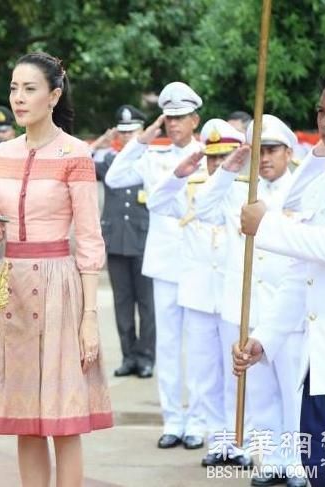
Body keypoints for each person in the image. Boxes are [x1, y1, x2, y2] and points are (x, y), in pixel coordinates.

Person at [234, 70, 325, 486]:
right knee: (324, 473)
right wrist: (267, 336)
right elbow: (302, 273)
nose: (324, 121)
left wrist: (267, 225)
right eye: (320, 111)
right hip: (322, 366)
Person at [0, 52, 113, 487]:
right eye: (14, 88)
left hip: (59, 289)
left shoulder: (76, 154)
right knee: (26, 418)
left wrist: (89, 318)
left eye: (29, 89)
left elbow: (90, 240)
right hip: (10, 290)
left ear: (54, 95)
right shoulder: (2, 153)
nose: (18, 98)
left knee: (63, 418)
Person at [193, 116, 307, 485]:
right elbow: (203, 208)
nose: (266, 157)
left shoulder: (304, 190)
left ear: (289, 152)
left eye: (272, 150)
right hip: (246, 307)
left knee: (292, 391)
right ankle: (272, 459)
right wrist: (227, 169)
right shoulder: (240, 189)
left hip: (287, 311)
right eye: (259, 150)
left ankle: (296, 463)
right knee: (259, 393)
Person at [105, 81, 205, 450]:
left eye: (181, 117)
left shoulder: (210, 155)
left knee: (197, 347)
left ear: (195, 119)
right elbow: (115, 178)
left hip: (198, 264)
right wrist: (143, 139)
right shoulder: (152, 156)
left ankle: (197, 421)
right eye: (169, 118)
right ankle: (173, 421)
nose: (175, 124)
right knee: (167, 345)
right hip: (164, 263)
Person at [147, 119, 248, 459]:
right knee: (205, 374)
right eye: (213, 158)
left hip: (234, 295)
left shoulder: (249, 191)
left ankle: (241, 441)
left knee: (236, 373)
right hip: (200, 295)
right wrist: (178, 174)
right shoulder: (191, 188)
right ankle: (218, 441)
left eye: (226, 157)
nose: (218, 165)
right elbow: (156, 204)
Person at [91, 104, 156, 378]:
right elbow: (78, 162)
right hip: (117, 240)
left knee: (147, 304)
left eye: (133, 132)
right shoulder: (109, 162)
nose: (128, 137)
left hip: (145, 241)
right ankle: (128, 356)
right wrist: (101, 142)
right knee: (122, 303)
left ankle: (146, 357)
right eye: (124, 132)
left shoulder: (153, 161)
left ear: (143, 132)